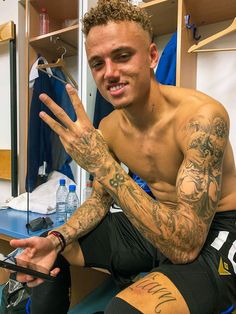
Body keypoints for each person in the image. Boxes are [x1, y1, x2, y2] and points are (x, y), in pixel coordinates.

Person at [10, 0, 236, 313]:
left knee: (123, 309)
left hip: (216, 231)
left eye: (123, 56)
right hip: (155, 222)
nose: (110, 73)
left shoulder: (202, 118)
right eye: (98, 63)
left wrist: (101, 164)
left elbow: (186, 246)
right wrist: (57, 238)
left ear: (152, 57)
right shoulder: (109, 126)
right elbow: (101, 200)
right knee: (50, 251)